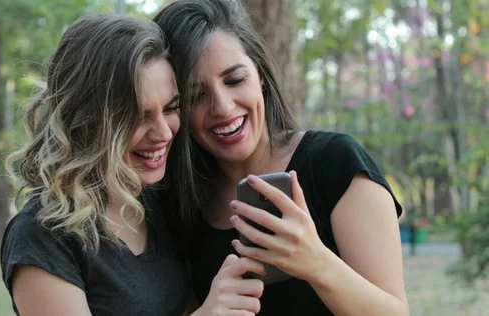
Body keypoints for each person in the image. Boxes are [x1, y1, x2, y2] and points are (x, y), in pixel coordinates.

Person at [154, 1, 409, 315]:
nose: (222, 107)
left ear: (260, 75)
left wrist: (316, 262)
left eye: (234, 80)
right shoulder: (181, 203)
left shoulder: (336, 164)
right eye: (196, 96)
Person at [1, 13, 265, 316]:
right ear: (86, 119)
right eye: (138, 115)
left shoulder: (156, 201)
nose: (164, 133)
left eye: (171, 108)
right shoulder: (43, 234)